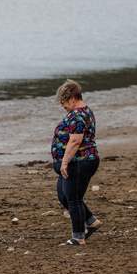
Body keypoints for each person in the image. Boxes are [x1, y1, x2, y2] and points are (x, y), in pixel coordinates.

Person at [51, 79, 102, 245]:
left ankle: (78, 237)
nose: (63, 106)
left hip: (80, 161)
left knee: (73, 198)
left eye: (64, 102)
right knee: (63, 194)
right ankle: (91, 221)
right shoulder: (84, 112)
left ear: (72, 98)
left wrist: (64, 162)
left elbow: (75, 141)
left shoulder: (78, 115)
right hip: (81, 161)